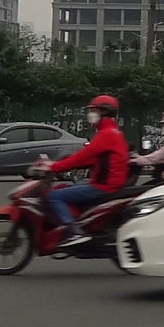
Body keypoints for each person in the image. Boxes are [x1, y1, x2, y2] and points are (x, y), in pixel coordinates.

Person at [36, 95, 132, 247]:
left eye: (94, 110)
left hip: (103, 186)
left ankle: (73, 231)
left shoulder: (106, 134)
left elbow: (81, 157)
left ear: (104, 112)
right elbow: (92, 158)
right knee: (65, 188)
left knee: (54, 195)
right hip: (107, 182)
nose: (91, 114)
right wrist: (57, 164)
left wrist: (53, 166)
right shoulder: (112, 132)